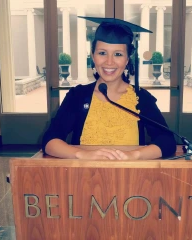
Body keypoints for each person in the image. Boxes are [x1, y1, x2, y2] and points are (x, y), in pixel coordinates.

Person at [42, 18, 176, 160]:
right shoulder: (77, 96)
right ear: (93, 56)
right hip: (84, 176)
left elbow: (167, 141)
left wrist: (134, 155)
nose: (109, 62)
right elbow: (50, 140)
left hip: (129, 175)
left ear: (127, 60)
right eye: (102, 53)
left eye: (118, 54)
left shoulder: (140, 98)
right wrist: (83, 155)